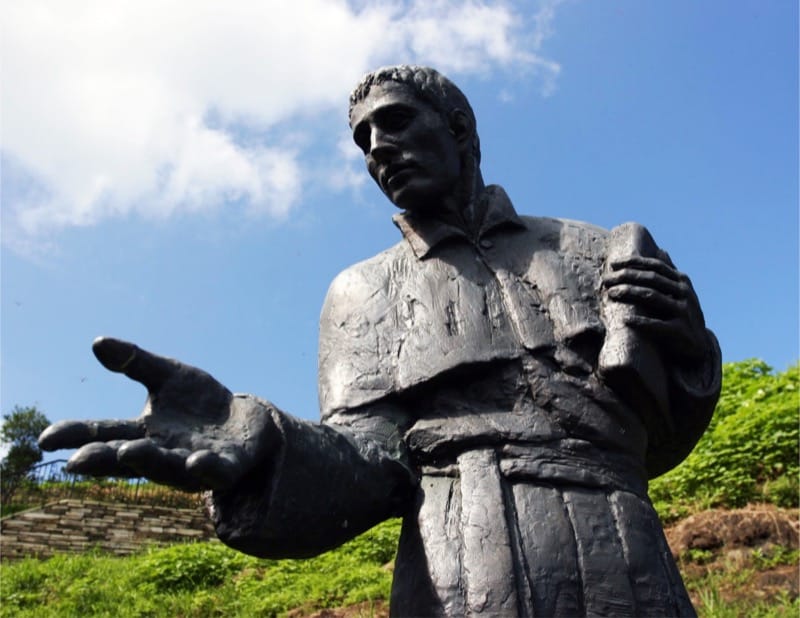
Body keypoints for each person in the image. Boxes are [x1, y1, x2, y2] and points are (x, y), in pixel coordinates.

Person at [40, 65, 721, 617]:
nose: (376, 149)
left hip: (623, 546)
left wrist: (688, 347)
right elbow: (368, 460)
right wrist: (265, 444)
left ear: (459, 129)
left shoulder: (590, 248)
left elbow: (657, 430)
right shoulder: (360, 292)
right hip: (462, 554)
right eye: (362, 139)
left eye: (394, 122)